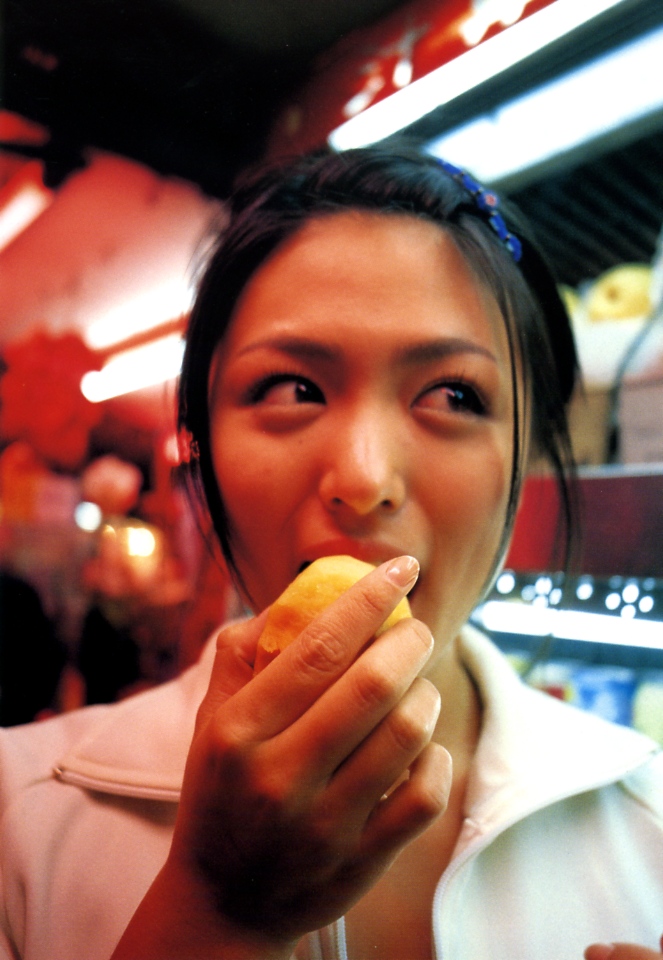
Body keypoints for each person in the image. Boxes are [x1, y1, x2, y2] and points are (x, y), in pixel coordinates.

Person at [1, 145, 662, 960]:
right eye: (292, 389)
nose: (362, 479)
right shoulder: (18, 813)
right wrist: (215, 913)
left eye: (452, 395)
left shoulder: (647, 821)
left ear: (526, 456)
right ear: (203, 446)